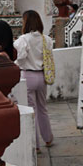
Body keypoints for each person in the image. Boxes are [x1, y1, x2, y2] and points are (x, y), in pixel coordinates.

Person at [13, 10, 54, 152]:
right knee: (43, 108)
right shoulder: (46, 39)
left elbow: (21, 56)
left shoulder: (23, 39)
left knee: (32, 110)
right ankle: (48, 138)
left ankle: (35, 144)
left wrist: (15, 63)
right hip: (42, 76)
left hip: (28, 76)